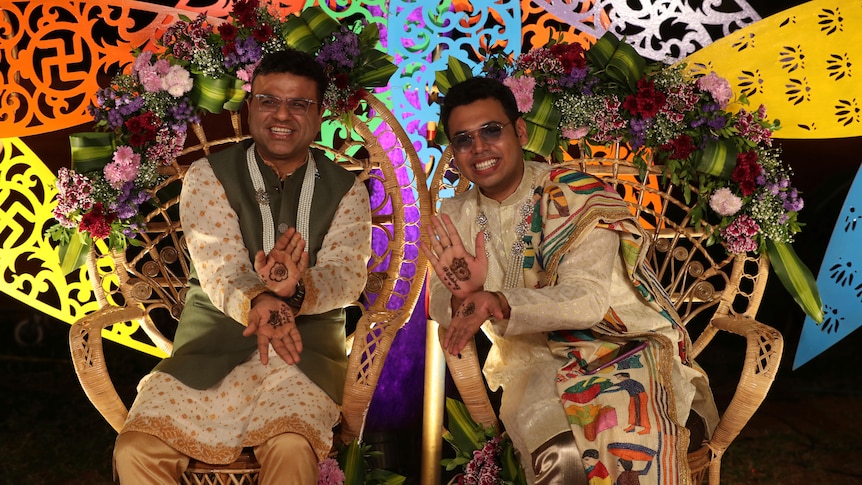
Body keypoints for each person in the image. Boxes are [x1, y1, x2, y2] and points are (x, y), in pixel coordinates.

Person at [424, 77, 718, 484]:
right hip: (533, 362)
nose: (479, 148)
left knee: (621, 425)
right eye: (462, 139)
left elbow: (587, 301)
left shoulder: (575, 194)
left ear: (520, 131)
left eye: (492, 130)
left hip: (623, 346)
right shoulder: (455, 216)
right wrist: (465, 297)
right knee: (562, 453)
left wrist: (499, 300)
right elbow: (440, 298)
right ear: (454, 152)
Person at [113, 48, 372, 484]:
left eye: (299, 103)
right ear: (251, 107)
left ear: (320, 112)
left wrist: (298, 289)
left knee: (291, 446)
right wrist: (259, 296)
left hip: (303, 354)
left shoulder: (347, 190)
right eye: (269, 100)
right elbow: (219, 265)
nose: (282, 115)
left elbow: (348, 273)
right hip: (211, 347)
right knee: (137, 448)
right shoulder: (208, 175)